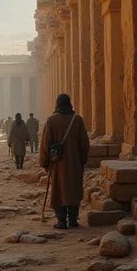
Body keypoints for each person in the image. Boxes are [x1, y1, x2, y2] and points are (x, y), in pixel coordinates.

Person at [40, 94, 90, 230]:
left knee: (58, 190)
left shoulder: (51, 120)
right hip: (74, 163)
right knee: (74, 189)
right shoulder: (77, 120)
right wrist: (82, 161)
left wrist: (45, 163)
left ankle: (61, 221)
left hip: (57, 163)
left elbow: (45, 144)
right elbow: (85, 144)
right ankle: (73, 220)